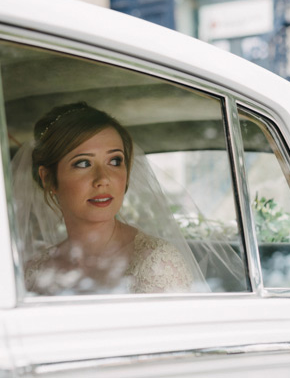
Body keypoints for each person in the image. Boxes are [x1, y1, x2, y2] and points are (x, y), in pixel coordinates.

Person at [11, 102, 204, 295]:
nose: (103, 179)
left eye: (115, 161)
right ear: (48, 179)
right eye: (83, 163)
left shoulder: (157, 262)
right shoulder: (35, 271)